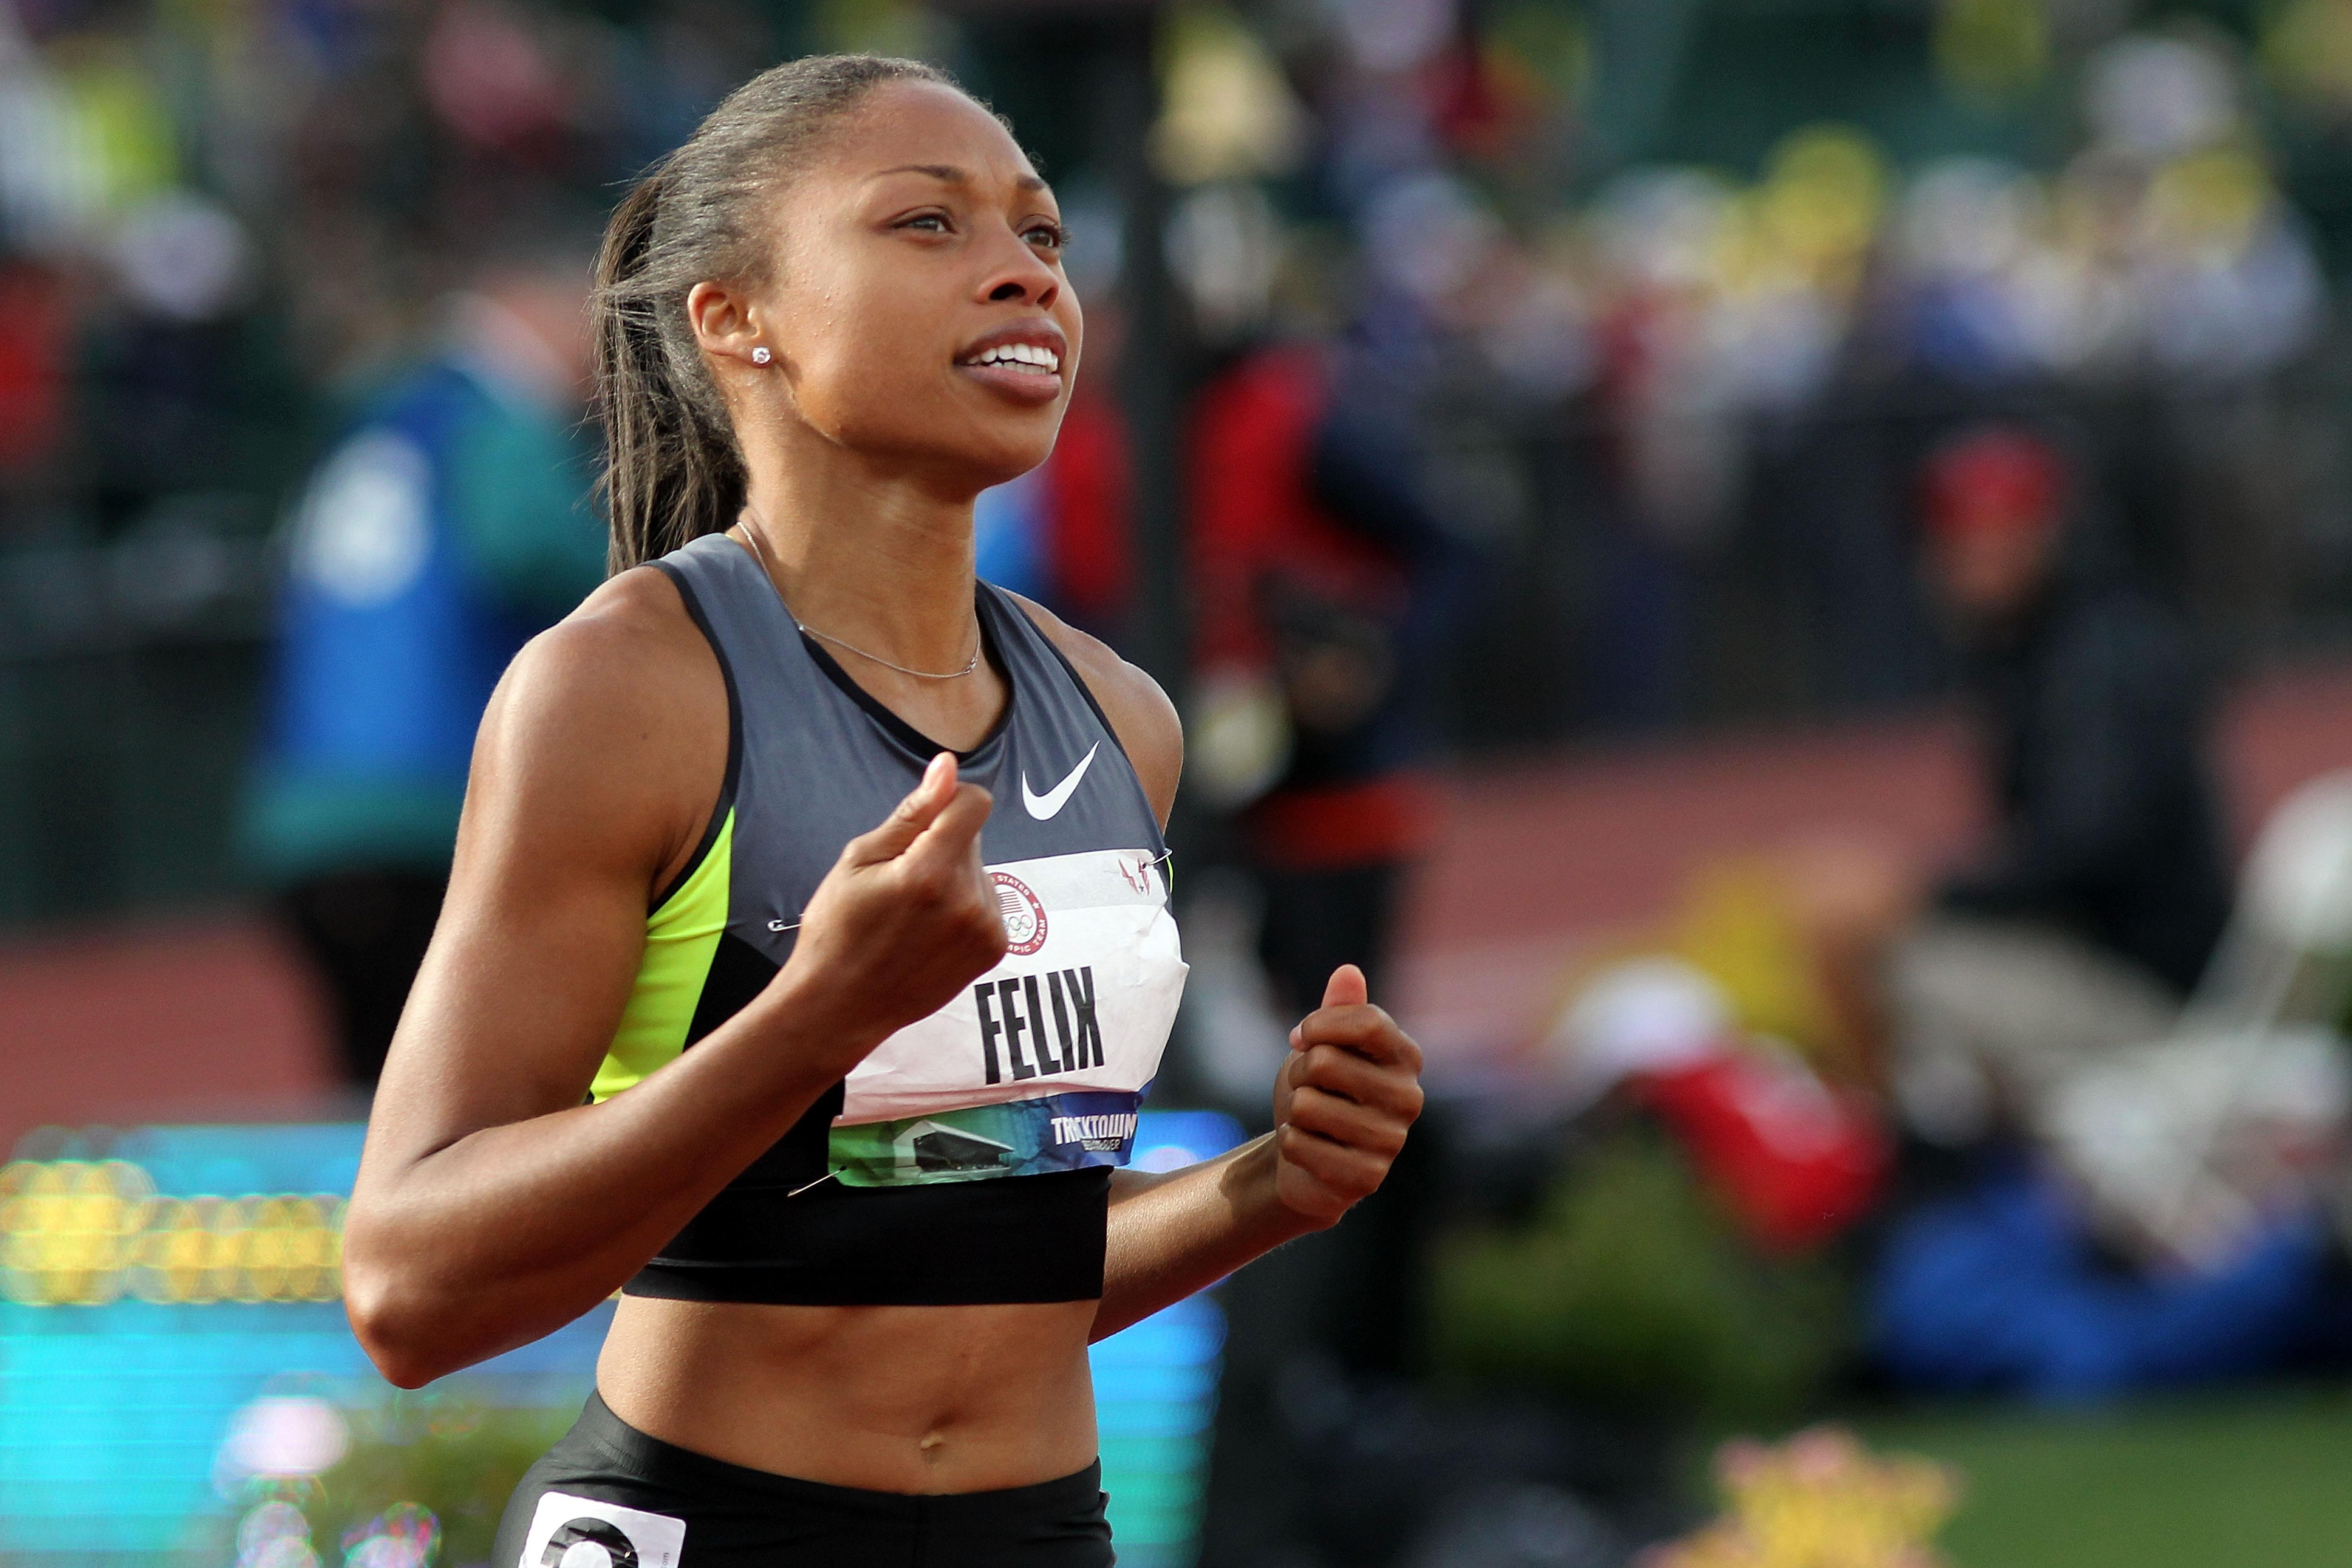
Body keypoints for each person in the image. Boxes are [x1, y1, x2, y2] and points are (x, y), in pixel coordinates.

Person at [338, 55, 1424, 1568]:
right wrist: (814, 1018)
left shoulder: (1122, 721)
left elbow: (960, 1262)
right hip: (704, 1528)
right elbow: (407, 1290)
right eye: (929, 226)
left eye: (1042, 238)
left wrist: (1264, 1193)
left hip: (1040, 1533)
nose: (1023, 277)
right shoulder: (628, 690)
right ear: (738, 319)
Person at [243, 218, 607, 1088]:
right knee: (488, 1108)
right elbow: (537, 552)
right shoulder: (498, 421)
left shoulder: (378, 419)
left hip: (302, 812)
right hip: (431, 809)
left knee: (380, 1105)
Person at [1888, 423, 2234, 1143]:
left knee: (1897, 965)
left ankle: (1933, 1189)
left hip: (2162, 994)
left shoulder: (2095, 660)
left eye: (1996, 535)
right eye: (1956, 538)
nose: (1969, 561)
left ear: (2048, 535)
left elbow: (2087, 848)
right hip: (2144, 963)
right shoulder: (2060, 643)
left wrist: (1928, 896)